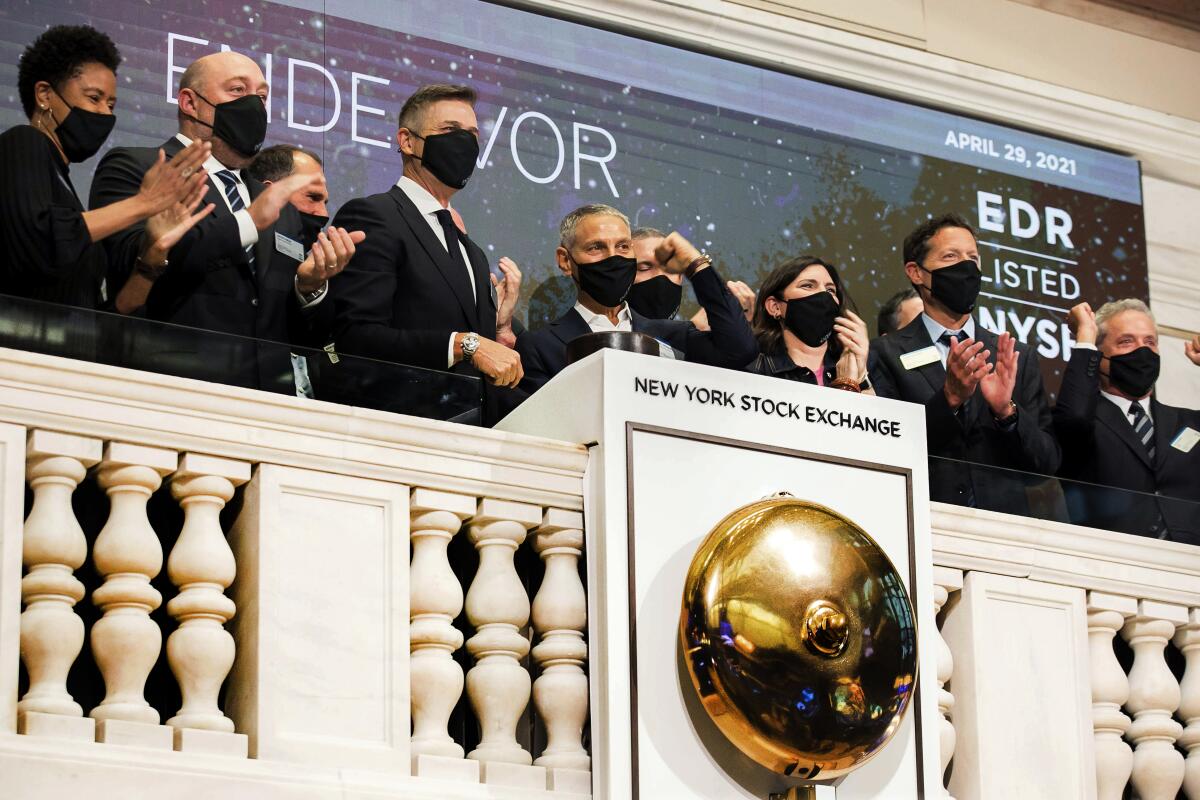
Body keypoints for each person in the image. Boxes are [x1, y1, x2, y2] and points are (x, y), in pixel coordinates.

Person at [90, 51, 361, 389]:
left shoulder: (276, 206)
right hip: (171, 390)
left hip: (267, 406)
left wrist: (309, 288)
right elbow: (126, 268)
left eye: (261, 96)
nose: (254, 106)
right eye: (237, 91)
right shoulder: (138, 168)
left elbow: (302, 340)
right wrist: (245, 224)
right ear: (190, 103)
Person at [329, 83, 523, 424]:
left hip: (473, 441)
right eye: (450, 130)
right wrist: (465, 344)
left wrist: (498, 334)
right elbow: (356, 337)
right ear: (407, 141)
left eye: (472, 134)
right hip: (396, 434)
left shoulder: (473, 253)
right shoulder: (374, 216)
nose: (465, 143)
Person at [1, 25, 211, 310]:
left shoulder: (64, 188)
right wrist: (143, 203)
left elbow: (103, 318)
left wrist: (150, 260)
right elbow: (40, 242)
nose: (105, 113)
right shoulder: (23, 142)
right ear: (44, 94)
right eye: (94, 98)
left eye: (111, 104)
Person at [869, 213, 1060, 512]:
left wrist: (1006, 413)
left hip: (1005, 532)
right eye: (951, 256)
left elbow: (1045, 465)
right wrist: (950, 399)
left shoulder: (1014, 356)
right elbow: (888, 450)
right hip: (921, 523)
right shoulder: (884, 353)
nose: (966, 267)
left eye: (973, 257)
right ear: (916, 272)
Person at [516, 204, 757, 393]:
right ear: (565, 261)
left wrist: (696, 265)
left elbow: (740, 350)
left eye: (623, 247)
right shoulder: (539, 346)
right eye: (596, 248)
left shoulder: (675, 335)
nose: (613, 258)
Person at [1053, 299, 1200, 544]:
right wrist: (1086, 338)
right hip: (1113, 561)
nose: (1142, 351)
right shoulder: (1083, 420)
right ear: (1099, 356)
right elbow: (1074, 418)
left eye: (1150, 342)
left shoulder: (1190, 423)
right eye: (1126, 341)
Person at [746, 256, 873, 393]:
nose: (824, 295)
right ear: (775, 307)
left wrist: (861, 377)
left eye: (830, 290)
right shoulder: (755, 368)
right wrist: (846, 385)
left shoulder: (867, 361)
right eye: (807, 286)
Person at [627, 226, 756, 329]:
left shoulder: (695, 340)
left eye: (670, 270)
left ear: (680, 278)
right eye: (644, 268)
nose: (660, 277)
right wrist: (693, 328)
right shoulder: (608, 333)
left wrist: (737, 325)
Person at [246, 144, 329, 241]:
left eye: (325, 203)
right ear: (268, 191)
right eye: (312, 197)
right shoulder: (233, 243)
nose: (324, 214)